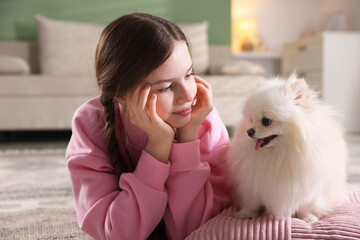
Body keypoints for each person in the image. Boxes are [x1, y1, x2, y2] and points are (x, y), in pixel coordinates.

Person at [66, 12, 230, 240]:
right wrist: (157, 148)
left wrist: (188, 138)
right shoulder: (90, 124)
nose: (187, 95)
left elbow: (192, 231)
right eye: (166, 87)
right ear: (121, 96)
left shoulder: (203, 118)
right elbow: (119, 234)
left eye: (189, 74)